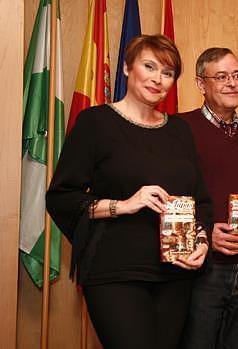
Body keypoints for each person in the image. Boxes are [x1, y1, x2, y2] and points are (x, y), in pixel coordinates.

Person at [46, 35, 211, 349]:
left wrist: (202, 240)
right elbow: (61, 197)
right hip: (114, 271)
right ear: (126, 67)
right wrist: (124, 205)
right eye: (149, 66)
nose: (157, 78)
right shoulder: (95, 123)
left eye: (167, 72)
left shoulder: (180, 131)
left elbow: (199, 200)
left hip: (176, 273)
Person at [178, 47, 238, 349]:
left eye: (237, 75)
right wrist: (202, 234)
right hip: (203, 266)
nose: (232, 83)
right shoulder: (180, 128)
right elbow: (169, 198)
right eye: (221, 76)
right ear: (200, 84)